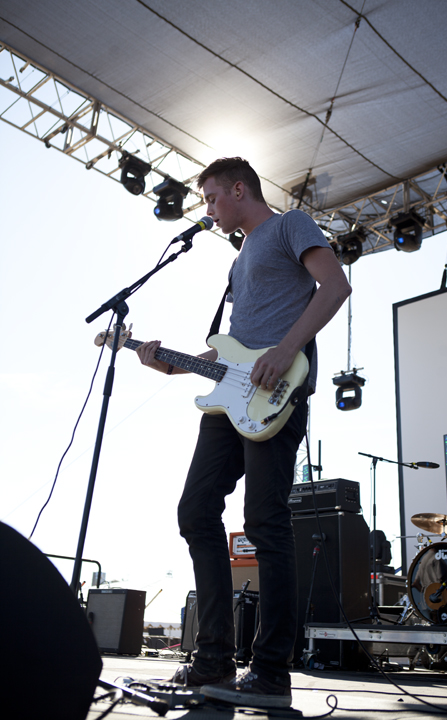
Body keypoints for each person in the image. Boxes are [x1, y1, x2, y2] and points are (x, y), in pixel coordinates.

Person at [136, 157, 351, 707]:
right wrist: (170, 364)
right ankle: (213, 657)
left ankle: (271, 671)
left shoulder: (289, 225)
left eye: (211, 197)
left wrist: (286, 350)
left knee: (265, 522)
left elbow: (335, 286)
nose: (207, 209)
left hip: (277, 391)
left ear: (238, 189)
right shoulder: (237, 262)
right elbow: (233, 350)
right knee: (195, 511)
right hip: (230, 401)